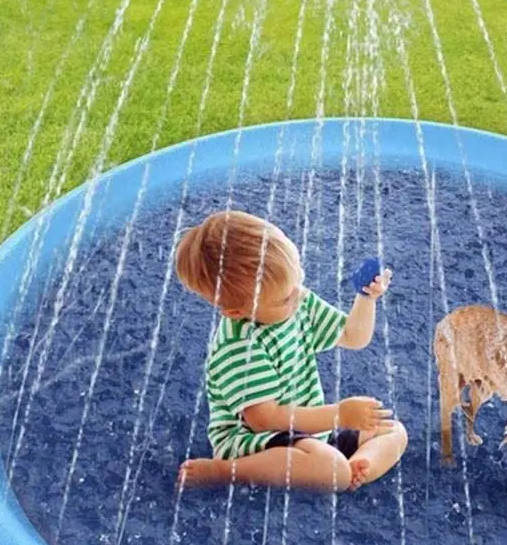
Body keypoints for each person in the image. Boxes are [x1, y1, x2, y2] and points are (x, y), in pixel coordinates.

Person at [174, 210, 408, 493]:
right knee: (327, 465)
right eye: (285, 298)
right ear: (236, 312)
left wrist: (366, 298)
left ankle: (356, 466)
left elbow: (352, 336)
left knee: (393, 430)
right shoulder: (238, 347)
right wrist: (338, 415)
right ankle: (223, 471)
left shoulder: (295, 298)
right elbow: (264, 420)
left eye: (298, 278)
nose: (298, 295)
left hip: (311, 436)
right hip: (255, 443)